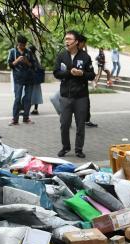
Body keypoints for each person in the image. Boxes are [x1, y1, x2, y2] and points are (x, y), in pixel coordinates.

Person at [54, 30, 95, 158]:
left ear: (76, 42)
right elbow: (56, 73)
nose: (67, 41)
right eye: (66, 39)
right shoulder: (61, 56)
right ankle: (65, 147)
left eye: (69, 39)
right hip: (65, 96)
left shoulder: (85, 57)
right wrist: (69, 72)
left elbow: (92, 75)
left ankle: (79, 149)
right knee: (64, 124)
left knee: (80, 125)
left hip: (81, 97)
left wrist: (82, 73)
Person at [7, 35, 38, 125]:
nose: (22, 47)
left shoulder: (29, 52)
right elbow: (10, 65)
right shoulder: (12, 51)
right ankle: (15, 119)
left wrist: (27, 62)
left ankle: (26, 118)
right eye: (21, 45)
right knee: (17, 98)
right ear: (18, 43)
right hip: (18, 78)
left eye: (24, 45)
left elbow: (34, 65)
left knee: (28, 99)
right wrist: (17, 60)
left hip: (29, 78)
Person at [29, 45, 44, 115]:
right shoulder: (36, 57)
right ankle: (35, 109)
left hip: (32, 80)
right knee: (36, 94)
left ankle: (28, 108)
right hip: (37, 80)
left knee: (30, 94)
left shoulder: (31, 58)